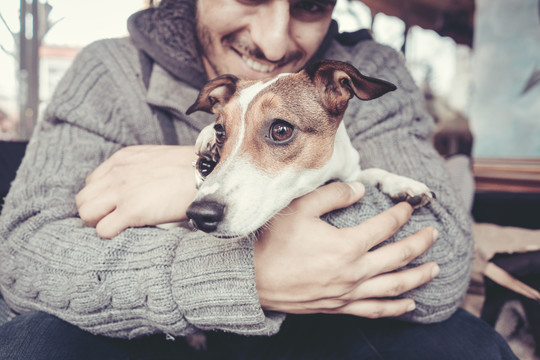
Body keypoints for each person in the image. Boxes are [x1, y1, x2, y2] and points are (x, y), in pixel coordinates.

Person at [0, 0, 516, 359]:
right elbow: (23, 259)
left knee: (464, 345)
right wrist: (245, 276)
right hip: (147, 336)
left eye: (310, 4)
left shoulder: (362, 72)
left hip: (315, 334)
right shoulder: (107, 71)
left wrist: (187, 182)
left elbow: (444, 265)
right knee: (31, 342)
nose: (273, 41)